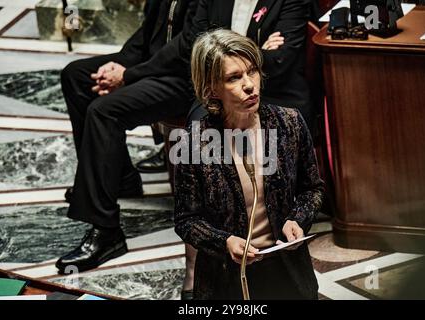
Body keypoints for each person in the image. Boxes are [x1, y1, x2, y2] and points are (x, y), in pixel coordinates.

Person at [174, 29, 324, 299]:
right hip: (227, 277)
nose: (249, 85)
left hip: (287, 269)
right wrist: (225, 242)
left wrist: (297, 219)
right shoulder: (194, 143)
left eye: (252, 71)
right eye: (234, 77)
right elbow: (187, 220)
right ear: (211, 88)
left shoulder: (289, 123)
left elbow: (312, 189)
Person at [55, 0, 199, 275]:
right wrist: (119, 65)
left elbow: (189, 44)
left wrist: (129, 75)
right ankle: (121, 179)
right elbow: (149, 32)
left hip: (188, 81)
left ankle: (107, 231)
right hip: (156, 69)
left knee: (104, 112)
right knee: (75, 76)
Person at [135, 0, 314, 172]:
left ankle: (264, 197)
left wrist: (225, 57)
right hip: (221, 89)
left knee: (275, 129)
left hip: (274, 90)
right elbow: (197, 45)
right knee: (202, 125)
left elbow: (280, 60)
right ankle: (212, 196)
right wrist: (256, 49)